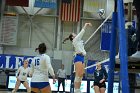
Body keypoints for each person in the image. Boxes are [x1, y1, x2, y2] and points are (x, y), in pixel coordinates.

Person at [63, 23, 92, 93]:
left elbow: (83, 50)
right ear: (73, 37)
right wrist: (86, 24)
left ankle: (78, 89)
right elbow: (82, 32)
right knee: (78, 74)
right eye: (74, 34)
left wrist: (84, 53)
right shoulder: (75, 40)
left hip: (82, 57)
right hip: (78, 57)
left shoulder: (79, 41)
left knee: (81, 74)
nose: (75, 34)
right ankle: (76, 90)